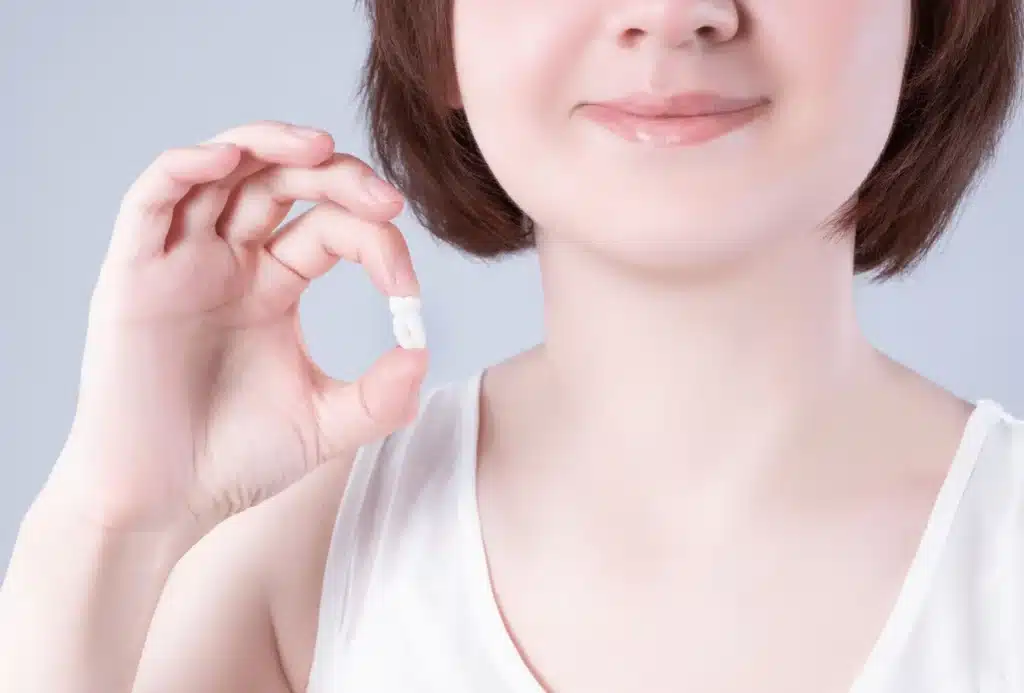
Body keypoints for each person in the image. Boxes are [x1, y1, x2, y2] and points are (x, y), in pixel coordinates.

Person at [2, 0, 1022, 690]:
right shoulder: (287, 574)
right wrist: (117, 521)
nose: (671, 14)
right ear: (440, 33)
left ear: (925, 23)